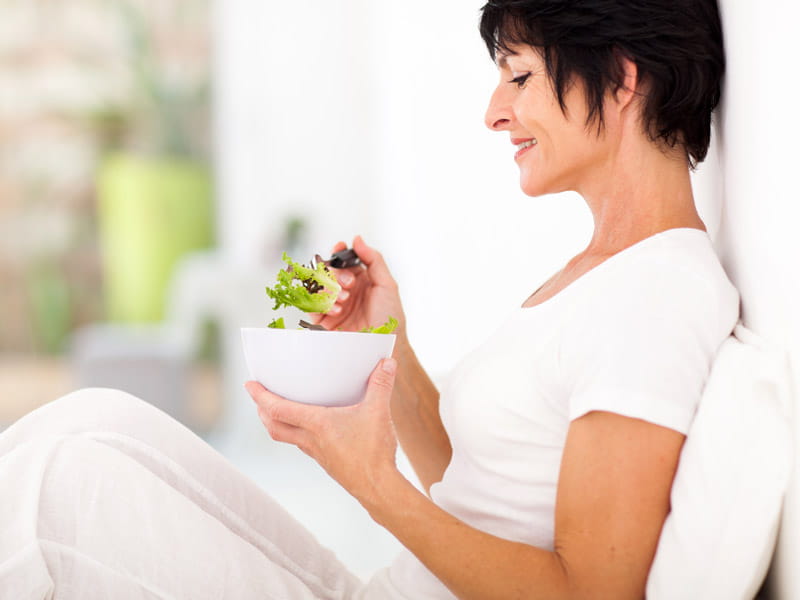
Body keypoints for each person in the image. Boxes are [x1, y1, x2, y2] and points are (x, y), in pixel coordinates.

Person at [1, 0, 739, 598]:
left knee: (57, 492)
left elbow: (591, 593)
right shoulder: (604, 270)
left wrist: (372, 483)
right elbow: (470, 484)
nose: (494, 111)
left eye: (519, 77)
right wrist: (390, 343)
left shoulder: (659, 293)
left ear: (621, 76)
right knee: (94, 421)